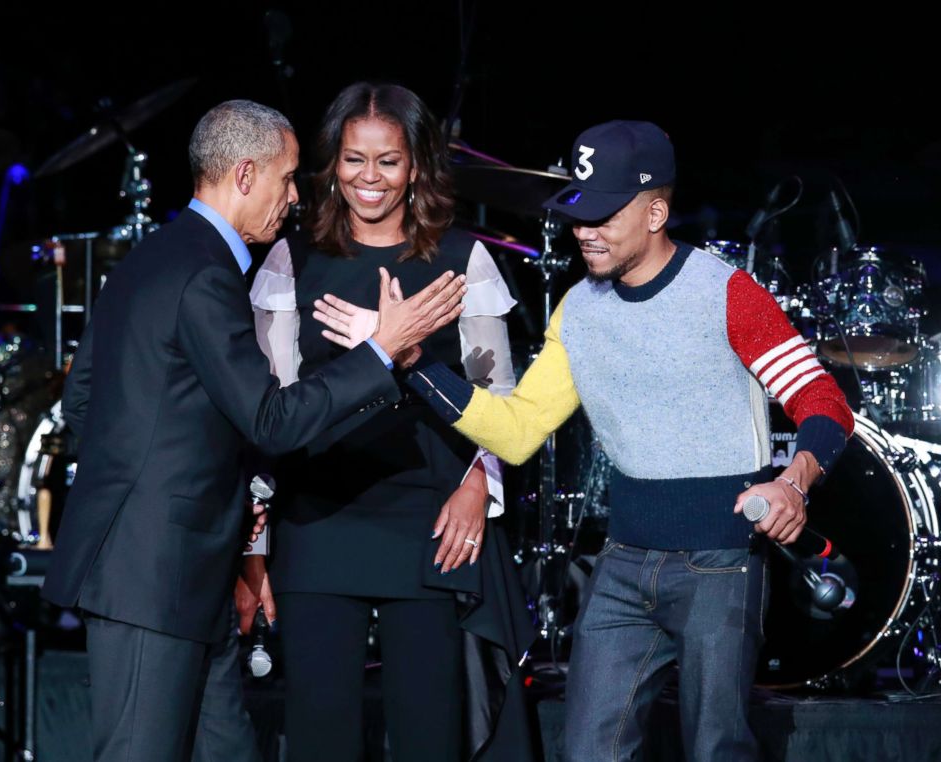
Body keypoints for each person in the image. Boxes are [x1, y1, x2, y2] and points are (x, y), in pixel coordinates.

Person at [318, 120, 855, 761]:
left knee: (718, 750)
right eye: (578, 214)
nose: (583, 231)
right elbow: (515, 432)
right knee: (589, 752)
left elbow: (824, 402)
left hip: (719, 559)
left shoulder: (726, 293)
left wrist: (794, 480)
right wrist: (410, 362)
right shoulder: (580, 308)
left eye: (603, 215)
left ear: (656, 211)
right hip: (624, 562)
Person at [41, 99, 467, 762]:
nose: (294, 198)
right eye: (287, 179)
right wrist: (381, 350)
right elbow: (271, 421)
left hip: (187, 573)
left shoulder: (154, 255)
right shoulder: (204, 276)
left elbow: (83, 401)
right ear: (245, 176)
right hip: (151, 578)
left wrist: (199, 516)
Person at [247, 82, 534, 762]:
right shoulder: (294, 259)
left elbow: (501, 399)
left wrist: (476, 485)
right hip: (319, 519)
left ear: (416, 166)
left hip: (430, 521)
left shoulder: (465, 260)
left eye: (388, 161)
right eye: (353, 160)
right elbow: (267, 408)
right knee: (320, 734)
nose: (368, 178)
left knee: (429, 732)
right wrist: (253, 542)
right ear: (330, 164)